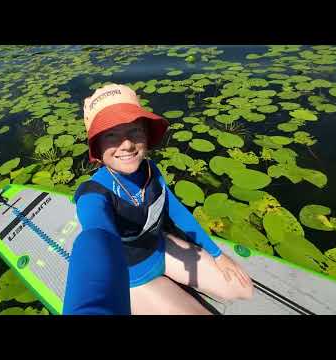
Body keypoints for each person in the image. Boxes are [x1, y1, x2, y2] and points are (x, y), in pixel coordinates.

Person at [73, 84, 254, 315]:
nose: (127, 144)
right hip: (133, 277)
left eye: (135, 131)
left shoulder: (149, 169)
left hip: (161, 248)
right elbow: (95, 243)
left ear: (146, 135)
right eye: (111, 135)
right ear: (97, 146)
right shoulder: (92, 197)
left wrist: (219, 255)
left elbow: (176, 211)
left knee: (243, 289)